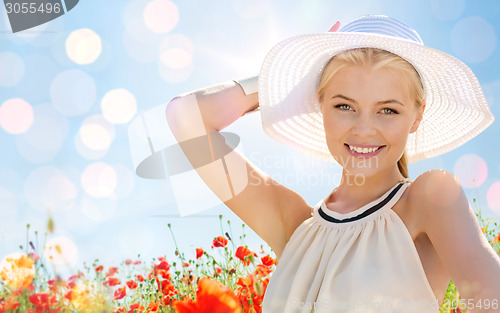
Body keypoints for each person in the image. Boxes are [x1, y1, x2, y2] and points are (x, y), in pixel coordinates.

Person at [165, 15, 500, 313]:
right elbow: (186, 117)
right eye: (344, 105)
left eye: (388, 110)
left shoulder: (430, 198)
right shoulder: (297, 226)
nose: (364, 128)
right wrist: (287, 83)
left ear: (417, 117)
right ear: (319, 104)